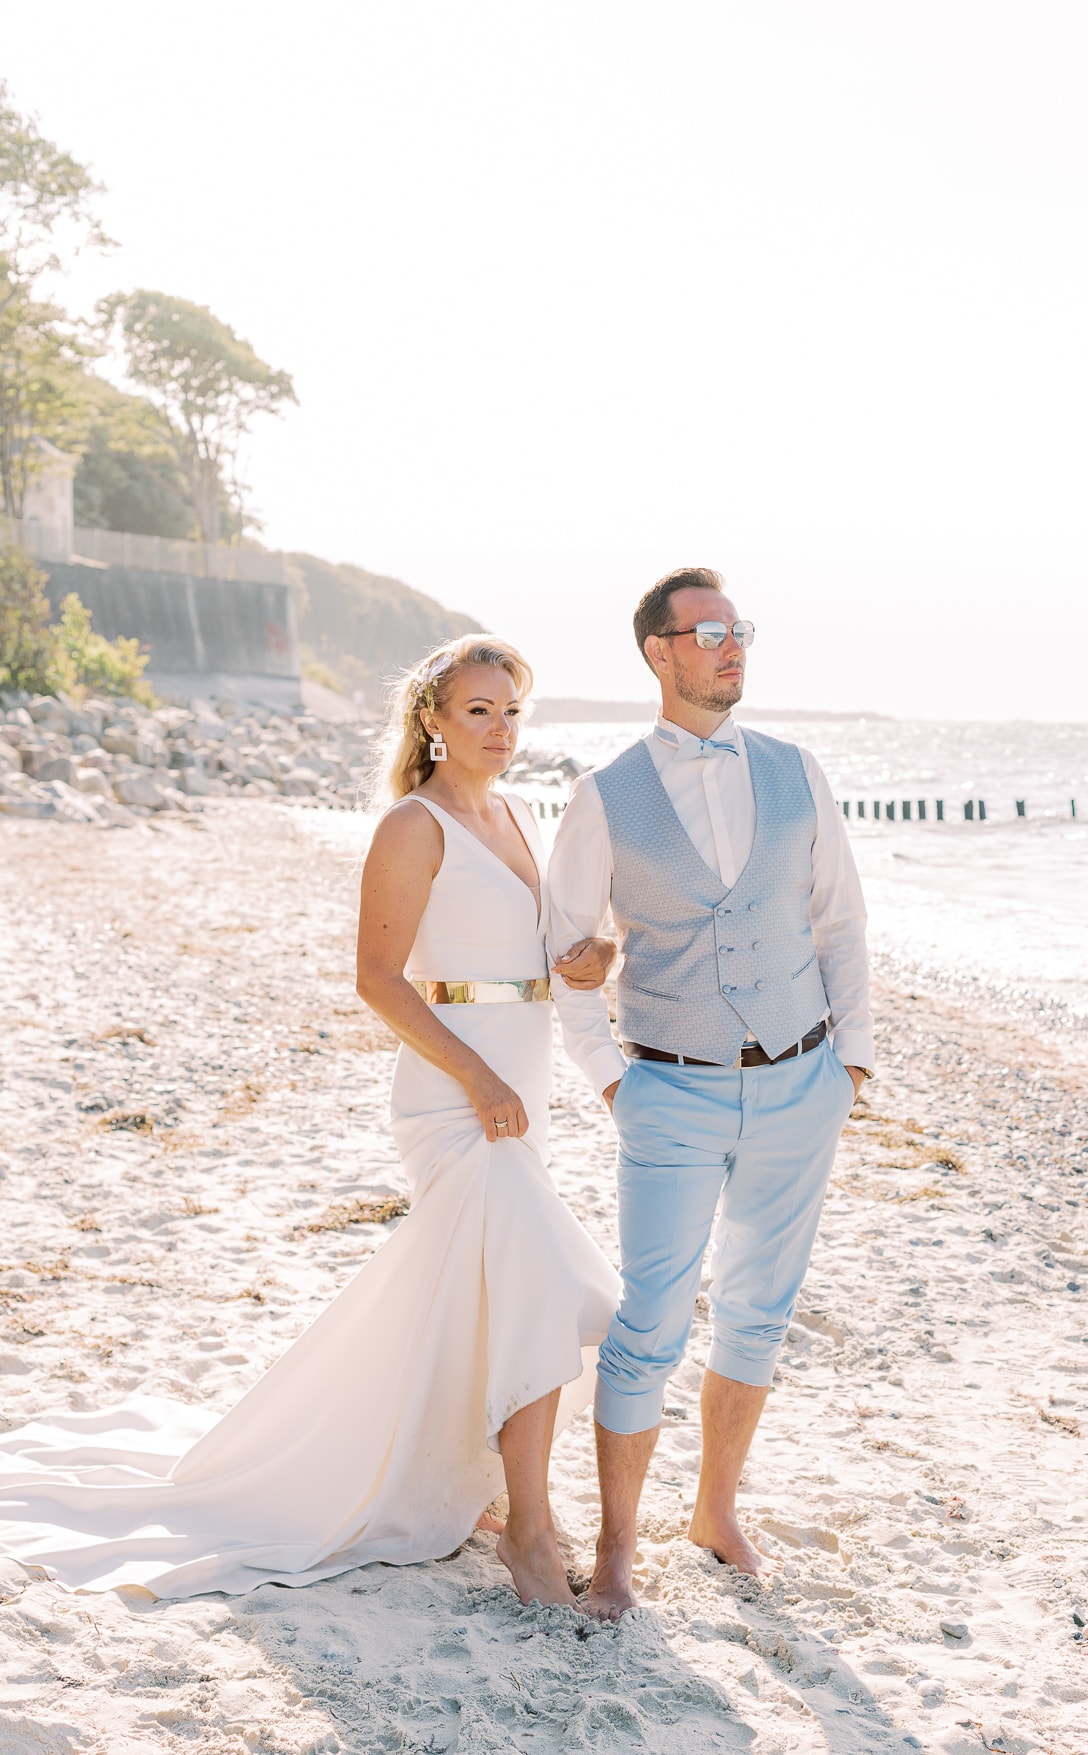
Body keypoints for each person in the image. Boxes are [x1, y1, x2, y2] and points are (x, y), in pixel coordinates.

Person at [0, 635, 620, 1607]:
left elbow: (536, 950)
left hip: (525, 1076)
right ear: (432, 722)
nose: (500, 731)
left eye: (511, 712)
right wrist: (474, 1078)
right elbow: (377, 981)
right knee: (541, 1280)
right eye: (478, 712)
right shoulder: (413, 827)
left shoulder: (515, 814)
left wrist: (589, 960)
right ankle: (532, 1528)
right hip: (454, 1089)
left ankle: (487, 1492)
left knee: (495, 1293)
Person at [548, 567, 875, 1619]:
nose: (734, 647)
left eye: (741, 630)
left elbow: (841, 924)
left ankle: (716, 1511)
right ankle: (616, 1552)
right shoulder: (603, 796)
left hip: (799, 1080)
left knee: (758, 1313)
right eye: (711, 632)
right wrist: (610, 1082)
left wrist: (850, 1066)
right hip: (670, 1093)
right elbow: (564, 952)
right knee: (649, 1320)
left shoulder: (795, 770)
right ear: (661, 651)